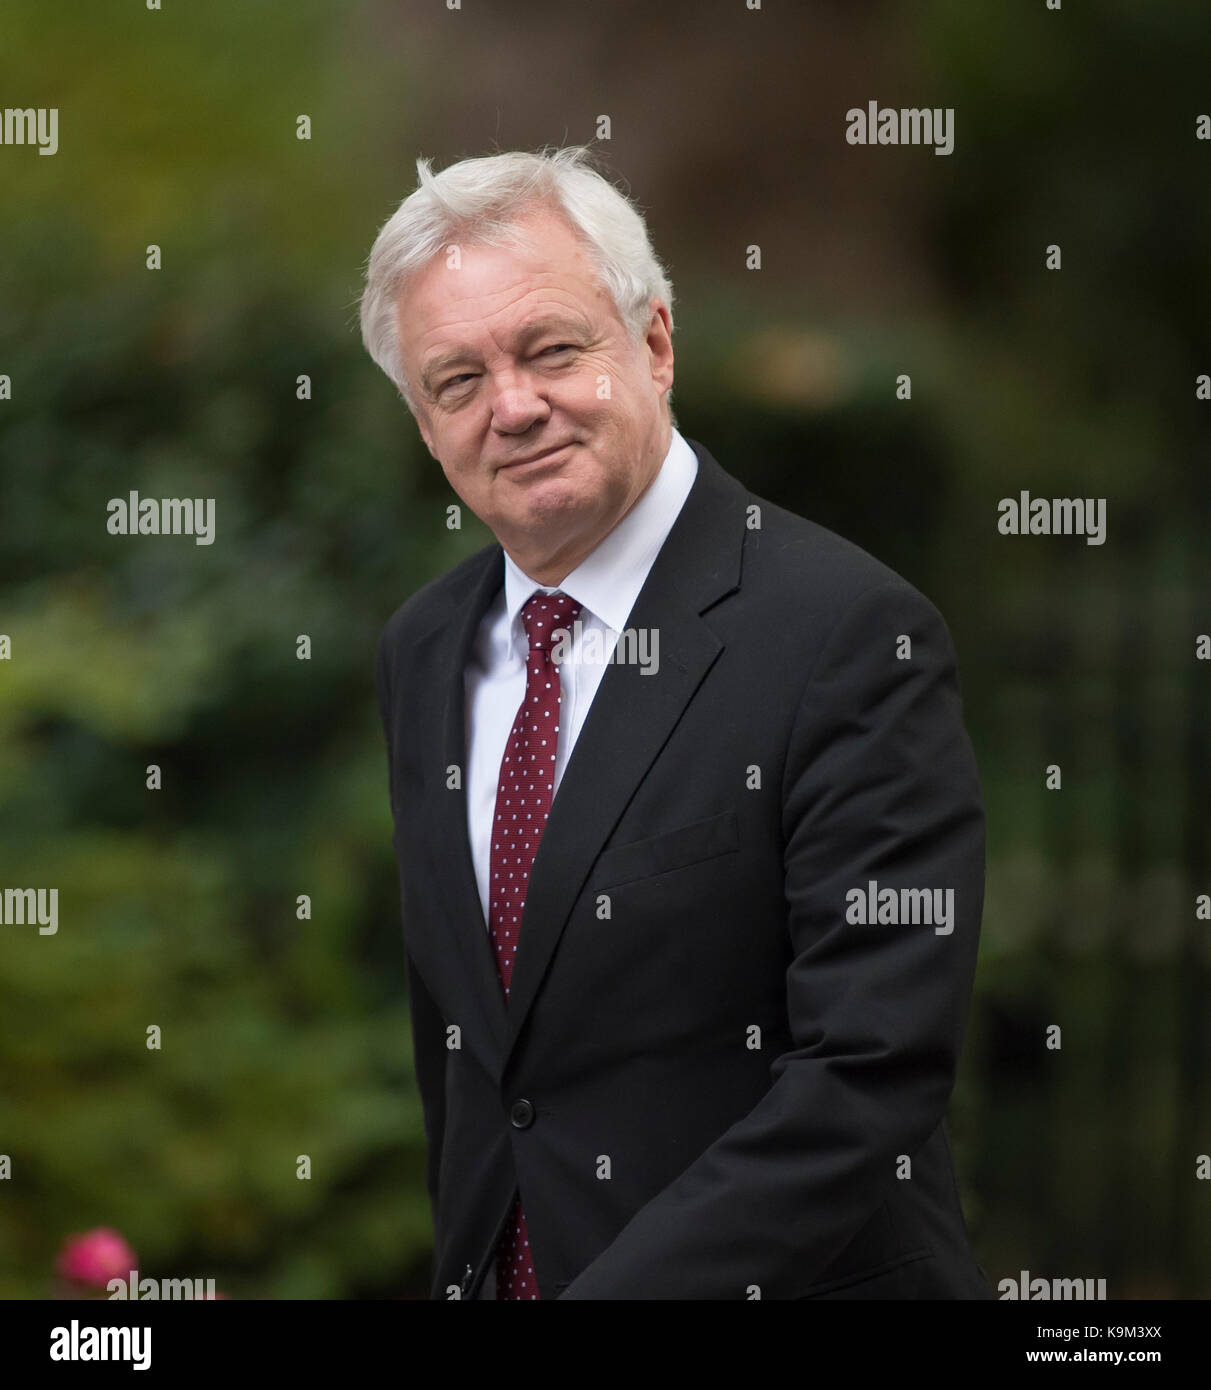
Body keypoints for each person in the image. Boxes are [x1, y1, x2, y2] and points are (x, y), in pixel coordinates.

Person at [361, 145, 993, 1300]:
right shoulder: (421, 651)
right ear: (423, 423)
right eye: (455, 381)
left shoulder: (845, 633)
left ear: (652, 343)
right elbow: (466, 1066)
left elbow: (867, 1069)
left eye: (551, 349)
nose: (512, 406)